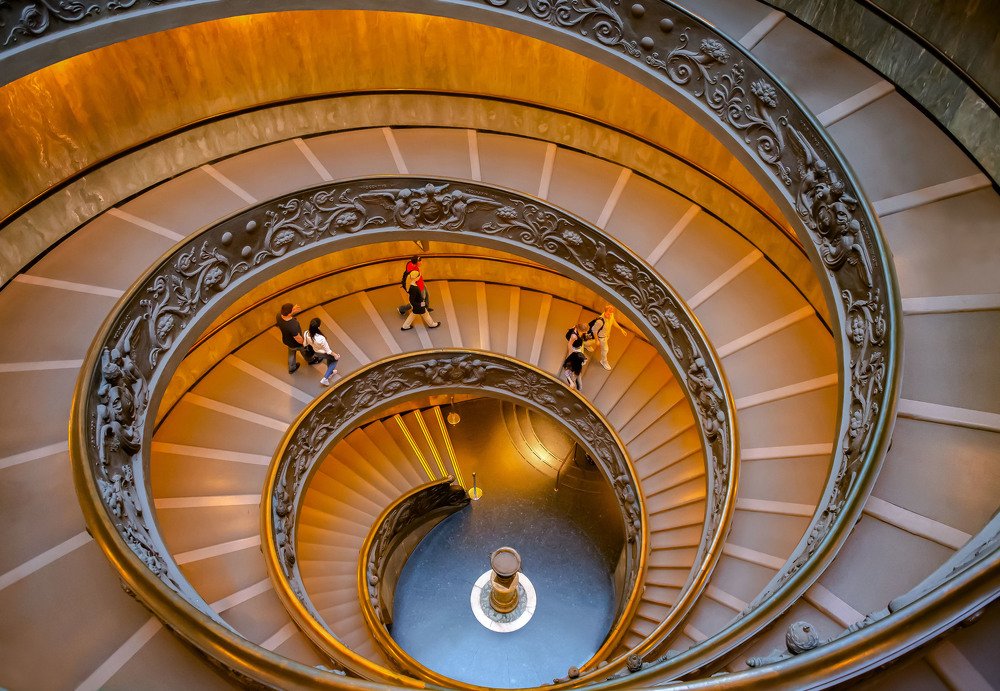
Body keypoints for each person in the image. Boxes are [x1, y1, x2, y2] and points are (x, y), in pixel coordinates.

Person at [302, 318, 341, 386]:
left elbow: (304, 344)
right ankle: (325, 379)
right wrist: (336, 355)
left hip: (316, 352)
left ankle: (331, 373)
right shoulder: (321, 338)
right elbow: (328, 351)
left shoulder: (306, 333)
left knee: (330, 359)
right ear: (319, 327)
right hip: (323, 353)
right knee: (335, 360)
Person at [589, 305, 627, 370]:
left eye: (611, 313)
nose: (610, 315)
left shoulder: (611, 315)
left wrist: (621, 329)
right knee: (605, 350)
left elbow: (613, 322)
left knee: (591, 342)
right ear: (605, 311)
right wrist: (597, 340)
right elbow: (594, 330)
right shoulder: (600, 321)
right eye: (608, 313)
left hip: (606, 336)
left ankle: (585, 344)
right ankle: (603, 361)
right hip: (601, 338)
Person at [276, 303, 310, 374]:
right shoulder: (292, 325)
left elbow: (287, 316)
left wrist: (292, 311)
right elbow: (298, 339)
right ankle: (311, 360)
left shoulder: (278, 315)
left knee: (291, 353)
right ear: (289, 313)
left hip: (287, 340)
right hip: (296, 343)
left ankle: (292, 368)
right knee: (304, 351)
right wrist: (305, 343)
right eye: (292, 309)